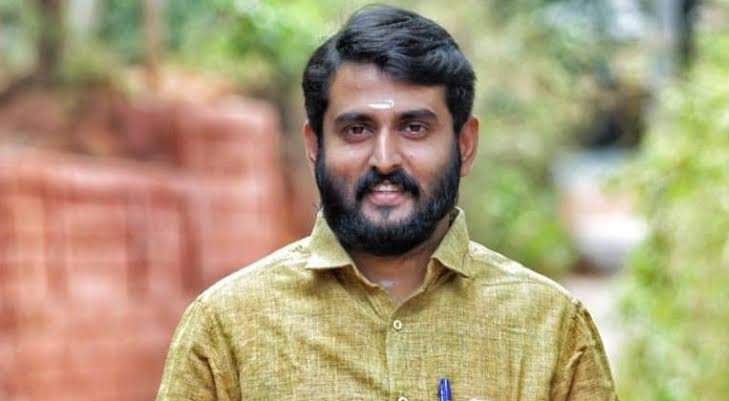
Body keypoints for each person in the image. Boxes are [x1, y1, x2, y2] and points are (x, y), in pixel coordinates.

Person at [155, 5, 618, 401]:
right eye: (357, 130)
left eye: (414, 128)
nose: (384, 159)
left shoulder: (551, 328)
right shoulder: (227, 330)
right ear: (315, 146)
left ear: (465, 144)